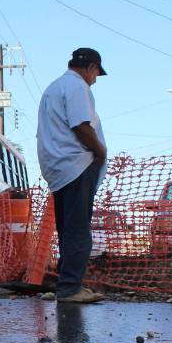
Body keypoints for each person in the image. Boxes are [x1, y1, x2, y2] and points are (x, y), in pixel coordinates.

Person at [36, 47, 108, 303]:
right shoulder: (77, 87)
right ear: (90, 68)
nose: (95, 80)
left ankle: (67, 284)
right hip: (76, 165)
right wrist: (99, 151)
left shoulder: (52, 88)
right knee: (78, 230)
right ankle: (70, 288)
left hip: (57, 168)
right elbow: (80, 125)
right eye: (96, 73)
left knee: (67, 230)